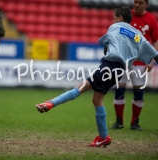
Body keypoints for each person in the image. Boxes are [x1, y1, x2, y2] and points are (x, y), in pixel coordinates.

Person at [35, 7, 158, 147]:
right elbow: (154, 53)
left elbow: (105, 43)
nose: (113, 20)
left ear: (120, 19)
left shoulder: (115, 27)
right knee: (97, 99)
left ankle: (51, 103)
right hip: (120, 70)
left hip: (109, 65)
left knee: (80, 87)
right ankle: (103, 136)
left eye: (114, 17)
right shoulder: (139, 37)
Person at [111, 0, 158, 130]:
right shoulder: (126, 16)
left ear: (147, 4)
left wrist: (152, 60)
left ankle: (134, 122)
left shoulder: (151, 20)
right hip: (123, 61)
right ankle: (119, 121)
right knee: (119, 90)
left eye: (140, 2)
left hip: (140, 62)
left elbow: (155, 41)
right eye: (135, 2)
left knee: (138, 92)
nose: (137, 5)